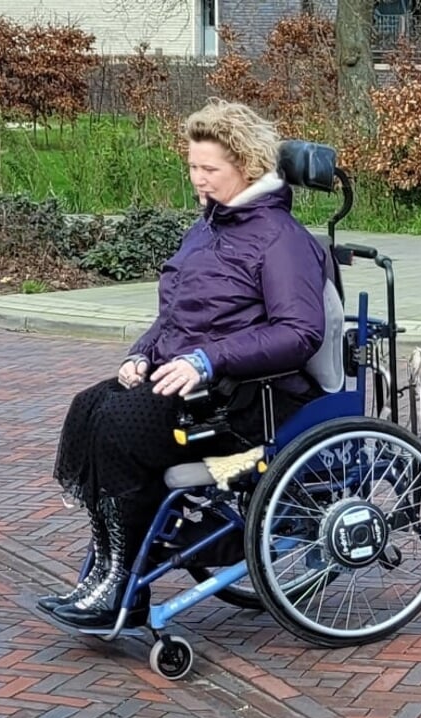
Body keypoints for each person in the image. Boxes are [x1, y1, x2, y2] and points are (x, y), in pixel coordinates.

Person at [40, 99, 335, 630]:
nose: (197, 180)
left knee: (121, 428)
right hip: (202, 385)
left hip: (256, 398)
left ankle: (122, 584)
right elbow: (177, 314)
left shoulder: (281, 240)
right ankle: (109, 569)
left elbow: (299, 332)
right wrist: (142, 354)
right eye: (193, 167)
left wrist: (207, 359)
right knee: (91, 407)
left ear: (246, 165)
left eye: (209, 170)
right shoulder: (207, 228)